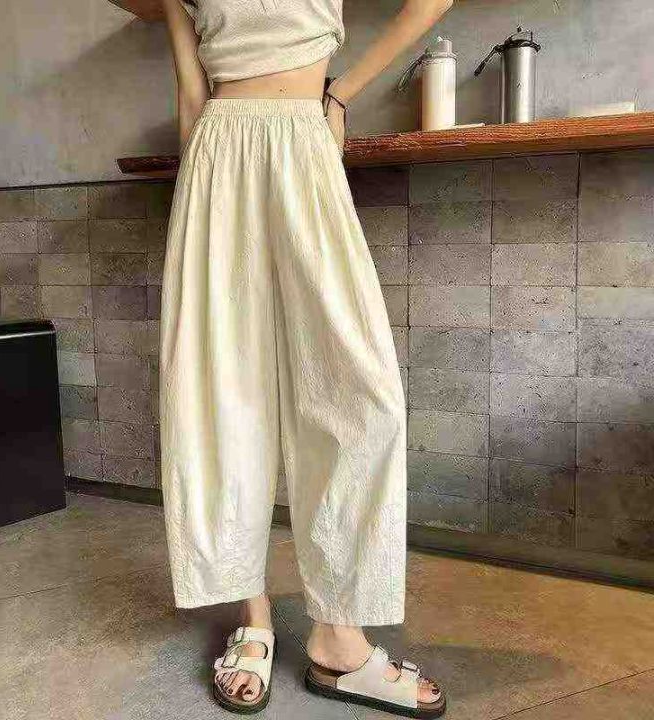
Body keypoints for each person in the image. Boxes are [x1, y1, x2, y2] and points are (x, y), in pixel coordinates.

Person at [159, 0, 453, 716]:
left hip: (304, 141)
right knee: (221, 390)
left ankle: (337, 636)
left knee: (363, 393)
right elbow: (192, 90)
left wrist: (341, 93)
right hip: (216, 157)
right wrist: (195, 191)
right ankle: (253, 618)